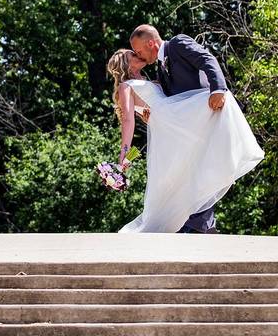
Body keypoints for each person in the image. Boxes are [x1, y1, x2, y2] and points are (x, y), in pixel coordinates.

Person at [106, 27, 264, 234]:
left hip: (181, 120)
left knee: (196, 169)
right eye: (133, 54)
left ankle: (201, 222)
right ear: (125, 64)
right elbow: (128, 121)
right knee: (182, 175)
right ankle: (197, 224)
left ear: (150, 43)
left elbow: (167, 97)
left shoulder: (158, 72)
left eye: (137, 51)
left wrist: (218, 89)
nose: (137, 54)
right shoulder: (127, 86)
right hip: (174, 127)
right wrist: (124, 157)